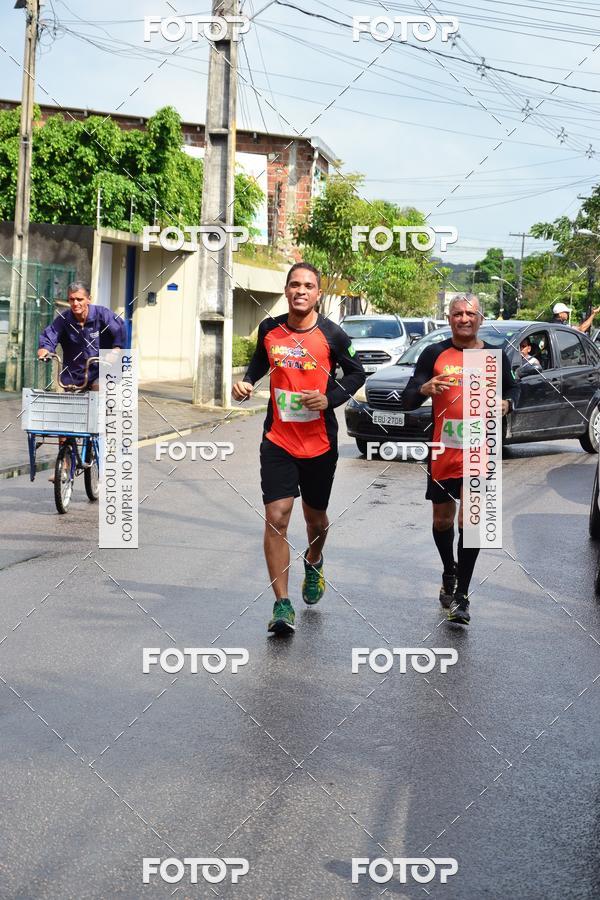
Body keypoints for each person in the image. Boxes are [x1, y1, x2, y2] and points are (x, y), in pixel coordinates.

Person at [232, 262, 366, 636]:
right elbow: (262, 360)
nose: (301, 291)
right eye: (295, 285)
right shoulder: (270, 329)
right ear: (287, 289)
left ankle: (315, 558)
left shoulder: (333, 335)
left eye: (308, 285)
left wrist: (329, 398)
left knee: (315, 520)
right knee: (277, 515)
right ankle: (281, 603)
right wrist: (244, 382)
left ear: (318, 293)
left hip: (320, 443)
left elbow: (356, 373)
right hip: (278, 439)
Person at [401, 295, 520, 625]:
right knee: (442, 521)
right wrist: (425, 388)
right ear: (449, 318)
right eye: (457, 314)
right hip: (442, 451)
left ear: (480, 318)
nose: (464, 318)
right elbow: (409, 398)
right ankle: (448, 571)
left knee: (472, 522)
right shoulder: (434, 353)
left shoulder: (493, 354)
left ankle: (462, 596)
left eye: (470, 313)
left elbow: (514, 389)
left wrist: (507, 404)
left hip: (481, 451)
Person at [37, 281, 126, 390]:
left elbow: (119, 330)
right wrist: (45, 349)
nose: (75, 303)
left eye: (79, 299)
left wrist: (115, 351)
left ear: (89, 299)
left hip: (102, 369)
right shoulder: (64, 319)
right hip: (74, 374)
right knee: (70, 402)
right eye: (71, 299)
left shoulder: (102, 314)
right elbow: (50, 336)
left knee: (99, 389)